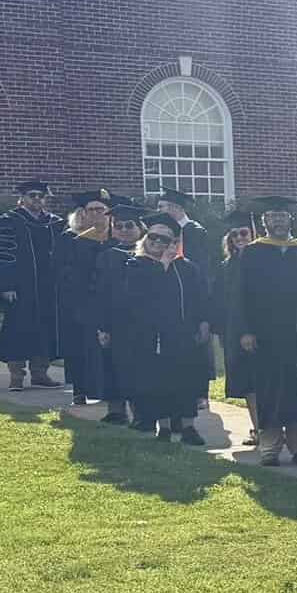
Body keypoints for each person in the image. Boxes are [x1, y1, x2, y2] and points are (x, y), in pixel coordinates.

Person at [97, 211, 211, 444]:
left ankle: (188, 427)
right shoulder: (135, 265)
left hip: (182, 334)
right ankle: (164, 427)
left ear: (175, 243)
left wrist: (203, 322)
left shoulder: (188, 268)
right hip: (148, 335)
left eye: (165, 239)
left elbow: (199, 298)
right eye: (153, 238)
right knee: (157, 381)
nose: (158, 243)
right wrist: (163, 266)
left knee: (185, 378)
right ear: (145, 239)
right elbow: (132, 299)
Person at [237, 197, 297, 467]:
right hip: (265, 332)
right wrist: (246, 330)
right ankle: (269, 447)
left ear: (290, 219)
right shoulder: (252, 252)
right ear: (265, 222)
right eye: (272, 217)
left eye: (282, 216)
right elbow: (242, 294)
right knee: (269, 388)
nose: (278, 221)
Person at [0, 179, 63, 390]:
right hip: (19, 289)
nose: (37, 199)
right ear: (22, 198)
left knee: (46, 329)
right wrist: (4, 286)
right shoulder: (7, 221)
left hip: (48, 289)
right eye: (32, 195)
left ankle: (40, 374)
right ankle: (16, 377)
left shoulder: (55, 222)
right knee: (18, 330)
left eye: (40, 196)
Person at [54, 189, 116, 405]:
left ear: (109, 213)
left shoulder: (115, 238)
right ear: (83, 213)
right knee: (79, 345)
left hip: (109, 302)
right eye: (91, 210)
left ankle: (108, 390)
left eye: (101, 210)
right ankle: (80, 390)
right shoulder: (70, 238)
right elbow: (59, 270)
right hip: (80, 302)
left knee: (108, 346)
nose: (97, 214)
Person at [92, 203, 147, 426]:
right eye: (119, 226)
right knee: (113, 364)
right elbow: (100, 293)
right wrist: (102, 326)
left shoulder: (148, 253)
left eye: (129, 225)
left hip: (143, 322)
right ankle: (116, 410)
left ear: (140, 227)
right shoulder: (106, 257)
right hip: (115, 322)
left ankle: (141, 411)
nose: (124, 230)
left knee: (139, 367)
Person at [218, 223, 257, 445]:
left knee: (264, 384)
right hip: (235, 331)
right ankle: (258, 428)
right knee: (248, 385)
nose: (239, 238)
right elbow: (220, 301)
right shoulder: (227, 266)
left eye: (243, 233)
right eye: (234, 235)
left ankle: (269, 431)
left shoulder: (263, 263)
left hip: (262, 331)